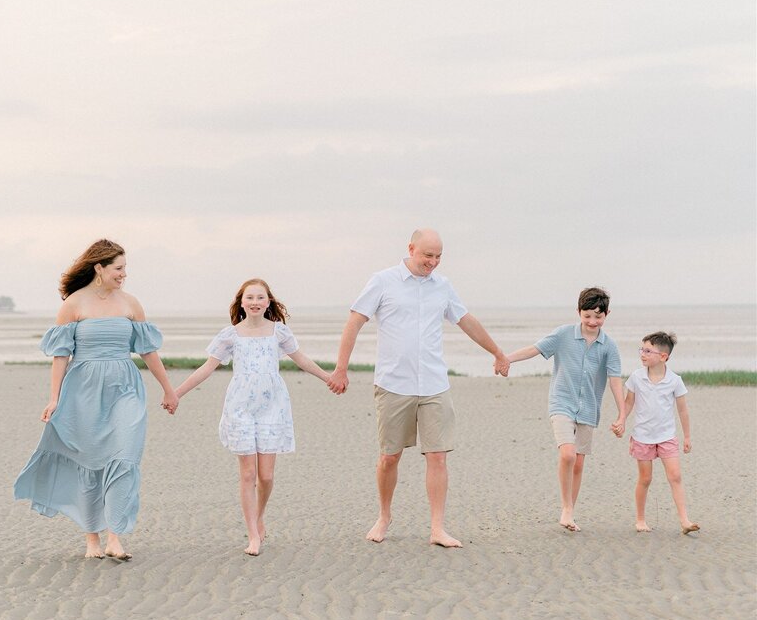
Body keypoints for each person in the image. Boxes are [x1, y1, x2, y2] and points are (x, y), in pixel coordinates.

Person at [330, 229, 510, 549]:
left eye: (439, 256)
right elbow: (355, 321)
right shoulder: (383, 281)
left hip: (434, 384)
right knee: (389, 457)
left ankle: (437, 528)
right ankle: (384, 516)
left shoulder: (443, 286)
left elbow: (467, 321)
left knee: (438, 456)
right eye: (427, 255)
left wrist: (497, 352)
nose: (433, 262)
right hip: (393, 384)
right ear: (411, 248)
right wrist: (341, 368)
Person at [14, 239, 178, 560]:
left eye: (125, 269)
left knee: (124, 456)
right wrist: (54, 398)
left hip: (125, 388)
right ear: (99, 268)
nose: (124, 275)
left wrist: (168, 389)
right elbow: (61, 356)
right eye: (119, 268)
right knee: (90, 463)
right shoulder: (74, 304)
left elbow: (148, 351)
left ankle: (115, 535)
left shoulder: (131, 304)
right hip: (83, 391)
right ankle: (92, 539)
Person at [169, 278, 342, 556]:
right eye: (250, 298)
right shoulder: (230, 335)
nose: (255, 302)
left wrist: (328, 378)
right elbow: (206, 368)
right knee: (248, 474)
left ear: (269, 301)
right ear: (241, 302)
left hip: (272, 406)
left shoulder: (279, 333)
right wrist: (175, 393)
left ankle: (259, 516)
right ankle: (252, 533)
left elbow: (302, 360)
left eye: (260, 298)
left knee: (267, 476)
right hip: (240, 408)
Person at [502, 287, 624, 532]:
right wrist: (506, 358)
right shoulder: (563, 335)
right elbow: (534, 349)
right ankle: (566, 507)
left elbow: (615, 379)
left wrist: (621, 415)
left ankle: (570, 512)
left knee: (578, 464)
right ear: (578, 312)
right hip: (562, 403)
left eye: (598, 317)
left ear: (607, 314)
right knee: (567, 454)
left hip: (589, 409)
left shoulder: (608, 346)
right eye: (587, 315)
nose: (592, 321)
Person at [614, 332, 699, 535]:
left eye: (648, 351)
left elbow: (683, 410)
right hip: (643, 437)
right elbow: (628, 402)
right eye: (641, 349)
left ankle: (684, 520)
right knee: (645, 479)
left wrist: (687, 436)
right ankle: (640, 520)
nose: (642, 354)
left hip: (667, 436)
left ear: (663, 356)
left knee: (675, 476)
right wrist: (621, 421)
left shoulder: (674, 380)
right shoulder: (636, 377)